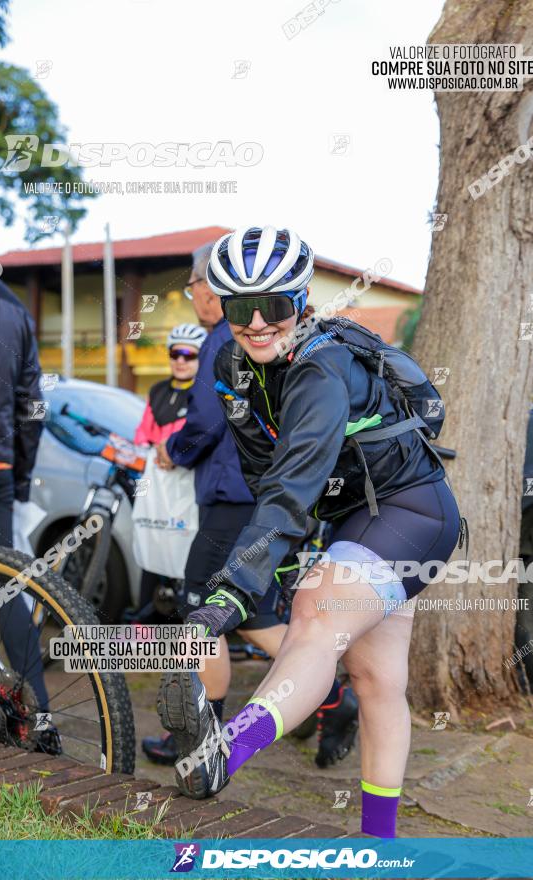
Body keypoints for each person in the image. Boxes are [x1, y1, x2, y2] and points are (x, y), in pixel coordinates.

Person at [156, 226, 462, 838]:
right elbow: (263, 474)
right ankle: (379, 842)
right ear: (223, 307)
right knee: (377, 679)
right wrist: (279, 559)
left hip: (412, 511)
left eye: (276, 306)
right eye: (243, 309)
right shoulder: (231, 363)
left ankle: (224, 752)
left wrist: (231, 593)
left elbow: (291, 489)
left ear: (300, 302)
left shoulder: (322, 369)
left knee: (316, 616)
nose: (260, 323)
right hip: (350, 517)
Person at [143, 243, 358, 769]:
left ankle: (200, 734)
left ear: (208, 289)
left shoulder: (228, 339)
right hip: (258, 496)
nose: (195, 296)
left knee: (203, 607)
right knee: (253, 612)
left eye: (194, 287)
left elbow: (209, 421)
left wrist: (174, 450)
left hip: (237, 495)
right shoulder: (261, 337)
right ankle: (328, 693)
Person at [0, 278, 59, 754]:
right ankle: (41, 718)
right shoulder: (16, 313)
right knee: (5, 587)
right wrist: (19, 476)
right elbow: (33, 404)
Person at [131, 323, 207, 621]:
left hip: (190, 485)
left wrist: (173, 450)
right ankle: (144, 621)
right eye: (176, 353)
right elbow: (142, 434)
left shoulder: (205, 393)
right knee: (153, 540)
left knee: (187, 550)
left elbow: (198, 434)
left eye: (189, 354)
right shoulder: (157, 390)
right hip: (157, 483)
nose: (181, 360)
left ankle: (189, 623)